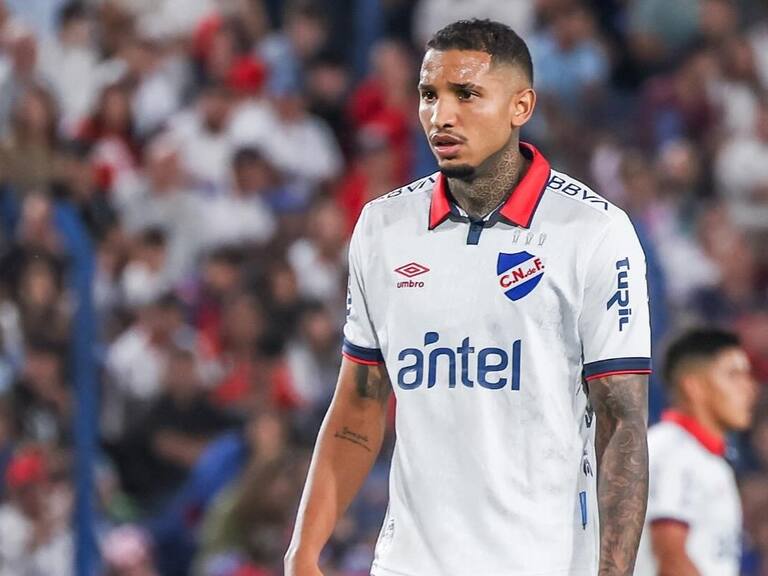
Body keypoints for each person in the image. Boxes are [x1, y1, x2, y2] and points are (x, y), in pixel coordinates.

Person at [285, 19, 652, 576]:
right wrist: (303, 552)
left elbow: (622, 422)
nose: (441, 115)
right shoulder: (383, 228)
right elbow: (359, 404)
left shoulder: (594, 232)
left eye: (466, 94)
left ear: (521, 106)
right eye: (429, 95)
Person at [634, 328, 757, 576]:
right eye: (734, 375)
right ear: (694, 387)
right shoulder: (671, 451)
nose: (749, 388)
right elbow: (670, 559)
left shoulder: (709, 460)